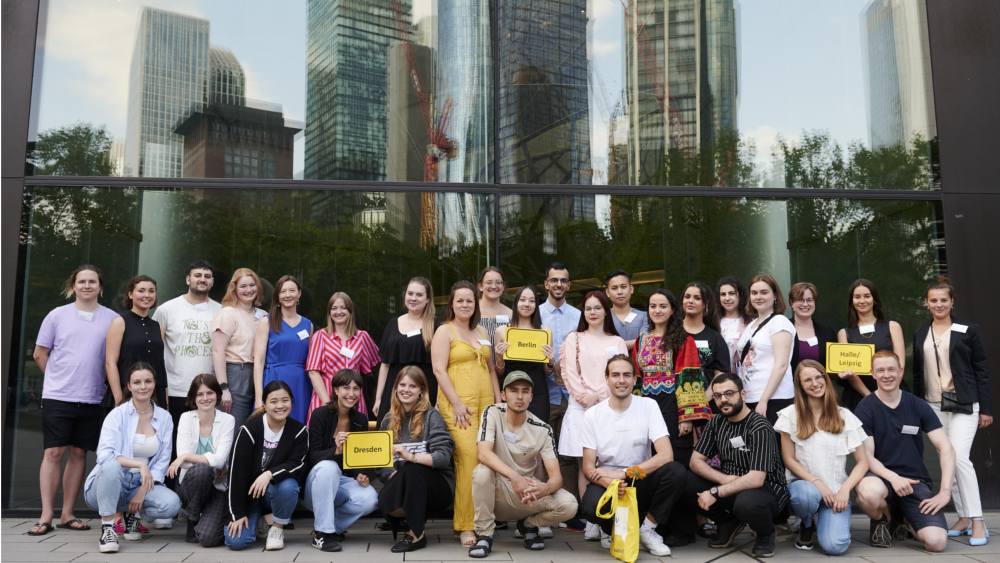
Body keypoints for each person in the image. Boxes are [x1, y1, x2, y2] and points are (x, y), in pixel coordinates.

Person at [28, 265, 117, 536]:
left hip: (92, 398)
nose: (87, 285)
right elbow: (39, 354)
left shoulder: (113, 319)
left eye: (92, 281)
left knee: (79, 455)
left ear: (100, 287)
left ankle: (67, 513)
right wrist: (58, 379)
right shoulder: (57, 315)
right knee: (53, 453)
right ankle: (46, 515)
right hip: (59, 396)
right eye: (82, 281)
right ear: (74, 285)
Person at [912, 276, 992, 544]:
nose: (938, 304)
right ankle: (964, 516)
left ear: (951, 302)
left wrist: (987, 408)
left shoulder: (967, 329)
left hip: (965, 403)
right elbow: (917, 372)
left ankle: (978, 519)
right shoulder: (921, 333)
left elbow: (982, 369)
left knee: (958, 458)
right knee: (948, 461)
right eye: (933, 300)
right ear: (926, 303)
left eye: (943, 300)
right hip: (932, 405)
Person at [579, 355, 685, 557]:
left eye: (627, 375)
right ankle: (611, 530)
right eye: (616, 375)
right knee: (590, 506)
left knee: (676, 471)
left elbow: (666, 455)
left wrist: (622, 475)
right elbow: (588, 468)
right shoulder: (592, 415)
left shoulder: (648, 406)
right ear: (607, 379)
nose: (621, 380)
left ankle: (647, 530)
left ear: (635, 379)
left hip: (640, 480)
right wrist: (610, 483)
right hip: (609, 484)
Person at [678, 373, 790, 558]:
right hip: (731, 482)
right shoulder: (717, 422)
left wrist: (715, 492)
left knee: (747, 503)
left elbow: (756, 478)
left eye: (729, 393)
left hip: (766, 488)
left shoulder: (759, 426)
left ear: (743, 394)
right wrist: (724, 479)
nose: (723, 400)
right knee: (680, 479)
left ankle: (765, 533)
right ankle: (728, 522)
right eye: (718, 395)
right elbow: (695, 461)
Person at [854, 350, 955, 552]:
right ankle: (882, 519)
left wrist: (945, 492)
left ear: (900, 371)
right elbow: (867, 457)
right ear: (872, 373)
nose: (887, 375)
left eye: (892, 369)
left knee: (936, 543)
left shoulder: (918, 405)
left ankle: (904, 517)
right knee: (869, 494)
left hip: (914, 481)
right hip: (880, 477)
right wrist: (893, 478)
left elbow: (946, 449)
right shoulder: (865, 407)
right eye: (880, 370)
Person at [468, 371, 578, 557]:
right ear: (503, 395)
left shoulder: (543, 429)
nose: (519, 396)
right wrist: (514, 476)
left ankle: (528, 525)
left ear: (531, 397)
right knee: (482, 472)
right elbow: (483, 453)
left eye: (525, 391)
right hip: (498, 490)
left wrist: (545, 488)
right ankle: (484, 535)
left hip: (527, 494)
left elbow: (556, 477)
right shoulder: (492, 412)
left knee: (570, 505)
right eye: (513, 390)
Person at [83, 363, 181, 553]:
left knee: (172, 504)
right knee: (111, 465)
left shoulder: (164, 418)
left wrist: (143, 490)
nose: (143, 387)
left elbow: (162, 460)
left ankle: (131, 516)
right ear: (129, 386)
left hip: (140, 484)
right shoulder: (116, 415)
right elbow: (104, 456)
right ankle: (108, 528)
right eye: (137, 382)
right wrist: (139, 465)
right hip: (107, 484)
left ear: (154, 384)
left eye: (148, 381)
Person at [431, 280, 502, 546]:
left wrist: (498, 403)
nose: (465, 304)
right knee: (469, 462)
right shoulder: (444, 331)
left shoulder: (482, 329)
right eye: (460, 300)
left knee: (487, 462)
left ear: (475, 304)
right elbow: (439, 371)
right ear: (452, 303)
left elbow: (493, 370)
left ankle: (485, 519)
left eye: (469, 300)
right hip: (459, 409)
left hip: (486, 407)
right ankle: (466, 525)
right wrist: (457, 403)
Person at [774, 360, 870, 554]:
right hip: (805, 487)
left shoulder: (844, 416)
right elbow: (789, 460)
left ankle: (826, 522)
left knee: (835, 546)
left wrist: (845, 490)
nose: (815, 383)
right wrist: (818, 483)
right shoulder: (790, 415)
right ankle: (807, 523)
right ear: (800, 386)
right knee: (806, 496)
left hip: (835, 493)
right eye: (807, 380)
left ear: (826, 379)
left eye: (819, 377)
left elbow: (863, 462)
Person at [559, 290, 627, 539]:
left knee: (606, 462)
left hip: (610, 405)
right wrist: (585, 398)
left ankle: (607, 518)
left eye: (598, 308)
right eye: (588, 308)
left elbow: (620, 375)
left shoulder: (617, 342)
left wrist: (598, 395)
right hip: (580, 407)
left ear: (606, 310)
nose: (593, 312)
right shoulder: (574, 338)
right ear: (583, 312)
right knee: (585, 466)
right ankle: (592, 522)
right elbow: (569, 373)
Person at [377, 366, 456, 553]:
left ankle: (416, 535)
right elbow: (381, 461)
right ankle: (407, 519)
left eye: (412, 386)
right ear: (396, 388)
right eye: (402, 385)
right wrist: (391, 475)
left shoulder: (432, 416)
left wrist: (411, 456)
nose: (406, 390)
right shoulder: (388, 420)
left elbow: (443, 457)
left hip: (438, 488)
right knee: (388, 494)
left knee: (413, 469)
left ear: (421, 390)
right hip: (404, 485)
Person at [225, 381, 309, 552]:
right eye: (273, 401)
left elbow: (298, 464)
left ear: (292, 401)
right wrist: (237, 514)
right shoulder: (248, 430)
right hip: (250, 494)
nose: (280, 406)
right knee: (236, 542)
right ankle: (261, 520)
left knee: (288, 485)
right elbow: (236, 474)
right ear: (264, 404)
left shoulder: (299, 431)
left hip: (275, 492)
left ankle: (277, 529)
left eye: (285, 400)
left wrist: (269, 474)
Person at [633, 289, 712, 468]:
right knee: (649, 454)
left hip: (673, 406)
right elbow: (636, 377)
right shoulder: (641, 340)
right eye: (653, 306)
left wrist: (687, 417)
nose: (657, 311)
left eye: (663, 306)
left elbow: (689, 378)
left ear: (673, 310)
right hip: (646, 406)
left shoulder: (684, 340)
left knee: (677, 457)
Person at [305, 369, 379, 552]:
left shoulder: (361, 420)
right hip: (314, 484)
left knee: (370, 498)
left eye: (356, 389)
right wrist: (336, 450)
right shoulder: (319, 415)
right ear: (336, 390)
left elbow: (357, 459)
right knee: (329, 467)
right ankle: (322, 535)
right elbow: (312, 457)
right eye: (346, 388)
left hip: (341, 482)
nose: (351, 394)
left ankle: (331, 527)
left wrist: (360, 474)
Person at [152, 260, 221, 437]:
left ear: (212, 281)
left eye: (207, 276)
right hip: (175, 390)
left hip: (208, 393)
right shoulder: (166, 310)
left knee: (203, 443)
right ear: (188, 280)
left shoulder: (222, 311)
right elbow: (155, 353)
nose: (202, 279)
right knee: (173, 444)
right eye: (197, 275)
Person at [538, 262, 584, 527]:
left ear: (568, 285)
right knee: (541, 453)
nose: (558, 284)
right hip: (542, 392)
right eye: (553, 280)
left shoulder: (579, 316)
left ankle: (569, 511)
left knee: (568, 453)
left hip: (571, 395)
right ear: (546, 284)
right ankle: (542, 511)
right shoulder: (535, 313)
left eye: (563, 280)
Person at [166, 374, 235, 547]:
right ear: (193, 398)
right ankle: (193, 516)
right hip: (190, 488)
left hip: (216, 489)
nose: (205, 398)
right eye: (200, 394)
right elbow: (211, 462)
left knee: (208, 538)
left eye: (210, 393)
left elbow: (220, 460)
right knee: (202, 470)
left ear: (218, 395)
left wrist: (186, 456)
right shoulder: (186, 418)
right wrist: (187, 459)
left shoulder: (228, 420)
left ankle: (206, 520)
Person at [374, 277, 442, 429]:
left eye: (419, 295)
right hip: (394, 393)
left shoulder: (437, 325)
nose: (413, 298)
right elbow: (385, 365)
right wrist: (379, 398)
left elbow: (442, 369)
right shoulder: (393, 324)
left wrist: (438, 401)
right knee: (389, 439)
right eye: (410, 293)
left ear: (427, 299)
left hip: (424, 393)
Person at [305, 291, 380, 422]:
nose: (338, 312)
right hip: (325, 398)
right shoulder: (320, 336)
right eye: (334, 308)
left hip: (354, 401)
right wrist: (328, 404)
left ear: (350, 310)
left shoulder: (362, 337)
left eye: (343, 307)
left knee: (355, 441)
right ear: (329, 312)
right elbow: (313, 372)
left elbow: (374, 369)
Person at [836, 279, 907, 411]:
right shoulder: (844, 334)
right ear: (852, 301)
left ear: (874, 299)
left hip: (893, 394)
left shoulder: (893, 327)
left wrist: (887, 393)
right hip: (859, 397)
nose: (862, 301)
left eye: (867, 296)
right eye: (857, 297)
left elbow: (900, 365)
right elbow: (849, 371)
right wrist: (870, 397)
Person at [210, 268, 265, 435]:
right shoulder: (228, 313)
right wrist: (224, 388)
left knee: (254, 431)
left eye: (252, 285)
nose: (248, 290)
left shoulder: (264, 316)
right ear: (234, 289)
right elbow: (217, 351)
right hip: (235, 375)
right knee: (234, 430)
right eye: (243, 286)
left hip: (258, 375)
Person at [735, 274, 795, 423]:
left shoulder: (779, 322)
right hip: (749, 397)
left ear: (775, 295)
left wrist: (764, 400)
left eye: (764, 292)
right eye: (754, 293)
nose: (758, 297)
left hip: (773, 399)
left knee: (772, 444)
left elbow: (781, 365)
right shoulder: (751, 325)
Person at [253, 275, 313, 423]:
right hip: (274, 379)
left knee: (297, 426)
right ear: (277, 296)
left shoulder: (308, 325)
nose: (288, 295)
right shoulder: (267, 321)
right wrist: (259, 396)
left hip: (301, 385)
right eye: (283, 291)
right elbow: (259, 362)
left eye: (292, 290)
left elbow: (310, 361)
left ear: (299, 294)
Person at [493, 285, 554, 422]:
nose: (527, 304)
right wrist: (499, 358)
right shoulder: (502, 331)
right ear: (515, 303)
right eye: (522, 300)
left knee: (538, 433)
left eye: (532, 301)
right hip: (511, 389)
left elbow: (546, 373)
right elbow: (499, 373)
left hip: (537, 391)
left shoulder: (544, 332)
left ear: (536, 305)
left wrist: (550, 363)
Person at [106, 275, 168, 408]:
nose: (147, 295)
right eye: (141, 291)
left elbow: (160, 367)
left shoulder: (159, 327)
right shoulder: (119, 322)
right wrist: (118, 398)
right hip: (125, 395)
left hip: (154, 396)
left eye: (151, 291)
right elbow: (110, 362)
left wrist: (165, 401)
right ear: (130, 294)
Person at [681, 282, 730, 385]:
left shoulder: (715, 337)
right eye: (687, 297)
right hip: (671, 398)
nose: (690, 301)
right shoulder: (671, 332)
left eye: (697, 298)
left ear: (706, 304)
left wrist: (705, 398)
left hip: (706, 398)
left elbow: (720, 375)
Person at [788, 283, 836, 373]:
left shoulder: (827, 332)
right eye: (800, 300)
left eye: (809, 300)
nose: (805, 304)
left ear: (815, 302)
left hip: (820, 386)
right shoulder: (782, 330)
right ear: (791, 303)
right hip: (790, 386)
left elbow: (833, 369)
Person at [715, 277, 752, 372]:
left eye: (731, 293)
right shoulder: (712, 322)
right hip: (715, 379)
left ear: (740, 295)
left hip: (741, 379)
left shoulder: (751, 324)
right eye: (723, 294)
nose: (727, 298)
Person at [605, 269, 648, 350]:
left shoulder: (645, 316)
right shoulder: (603, 317)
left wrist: (613, 346)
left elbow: (645, 342)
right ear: (607, 292)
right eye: (614, 288)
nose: (619, 292)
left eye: (623, 287)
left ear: (631, 289)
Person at [477, 266, 513, 358]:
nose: (494, 286)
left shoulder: (512, 315)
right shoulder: (471, 312)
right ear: (480, 286)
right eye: (489, 282)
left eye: (498, 282)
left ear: (503, 286)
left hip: (505, 369)